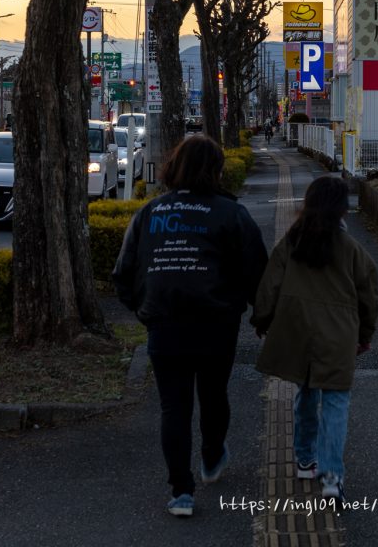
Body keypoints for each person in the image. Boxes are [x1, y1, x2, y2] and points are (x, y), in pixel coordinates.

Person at [112, 135, 268, 518]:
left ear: (174, 166)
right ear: (216, 171)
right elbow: (257, 272)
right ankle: (212, 456)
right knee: (214, 395)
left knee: (174, 407)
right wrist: (260, 315)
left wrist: (144, 310)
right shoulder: (232, 214)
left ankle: (181, 491)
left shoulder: (150, 212)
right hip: (217, 324)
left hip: (164, 324)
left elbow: (124, 273)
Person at [251, 175, 378, 507]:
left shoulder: (293, 242)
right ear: (343, 210)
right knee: (336, 402)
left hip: (297, 330)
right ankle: (332, 475)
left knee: (305, 391)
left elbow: (270, 284)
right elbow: (369, 298)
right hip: (338, 336)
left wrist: (262, 320)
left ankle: (305, 458)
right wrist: (365, 335)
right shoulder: (352, 249)